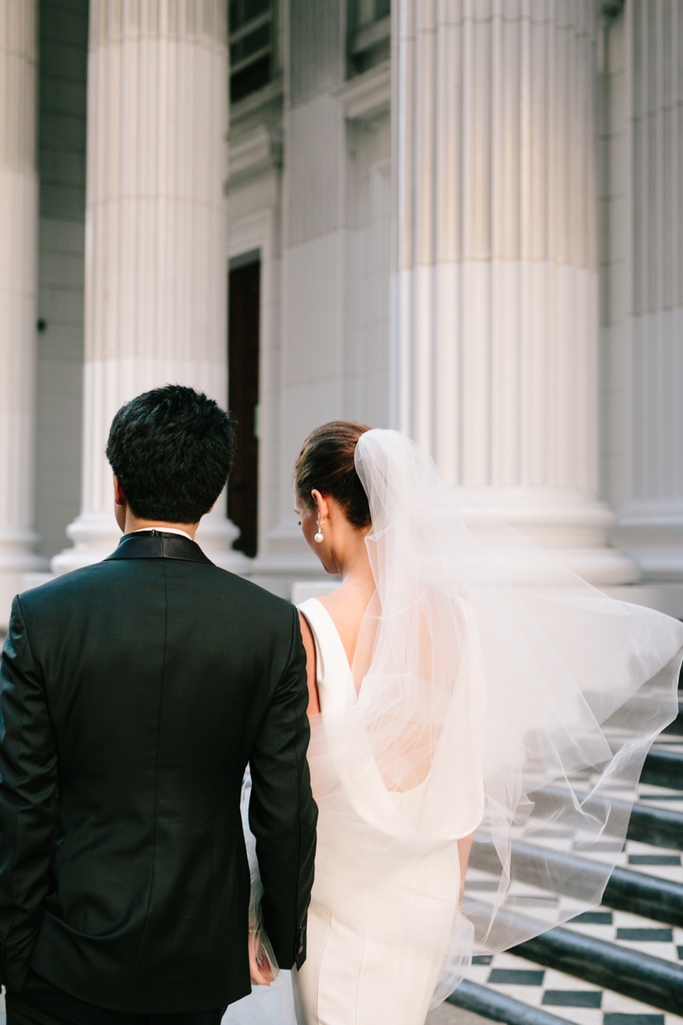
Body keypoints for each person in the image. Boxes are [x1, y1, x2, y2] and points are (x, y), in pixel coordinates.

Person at [235, 420, 683, 1025]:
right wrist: (451, 895)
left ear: (321, 506)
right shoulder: (459, 621)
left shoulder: (310, 626)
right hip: (429, 893)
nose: (307, 535)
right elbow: (466, 774)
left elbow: (293, 796)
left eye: (299, 518)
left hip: (340, 907)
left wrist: (263, 908)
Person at [0, 385, 317, 1025]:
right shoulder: (271, 626)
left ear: (116, 486)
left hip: (63, 950)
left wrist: (13, 955)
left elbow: (21, 802)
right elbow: (284, 806)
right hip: (198, 953)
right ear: (212, 492)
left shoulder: (45, 616)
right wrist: (282, 934)